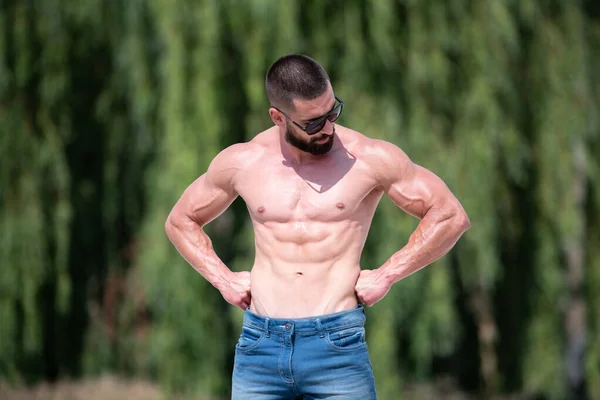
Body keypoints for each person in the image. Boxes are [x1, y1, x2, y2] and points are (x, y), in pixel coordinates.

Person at [165, 54, 470, 399]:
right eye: (312, 123)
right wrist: (223, 279)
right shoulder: (243, 162)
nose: (327, 127)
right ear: (278, 117)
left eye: (333, 112)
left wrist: (388, 274)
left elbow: (449, 215)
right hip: (259, 348)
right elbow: (180, 221)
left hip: (336, 346)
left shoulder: (368, 158)